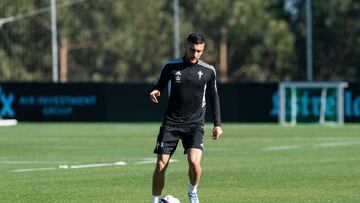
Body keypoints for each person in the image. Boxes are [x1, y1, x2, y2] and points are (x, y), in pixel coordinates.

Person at [149, 33, 223, 203]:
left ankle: (192, 192)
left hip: (195, 125)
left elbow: (214, 97)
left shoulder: (209, 70)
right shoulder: (170, 66)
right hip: (171, 123)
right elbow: (159, 84)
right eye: (192, 50)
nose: (195, 54)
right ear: (186, 46)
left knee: (194, 163)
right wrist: (155, 90)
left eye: (199, 51)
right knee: (161, 164)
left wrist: (217, 124)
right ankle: (155, 200)